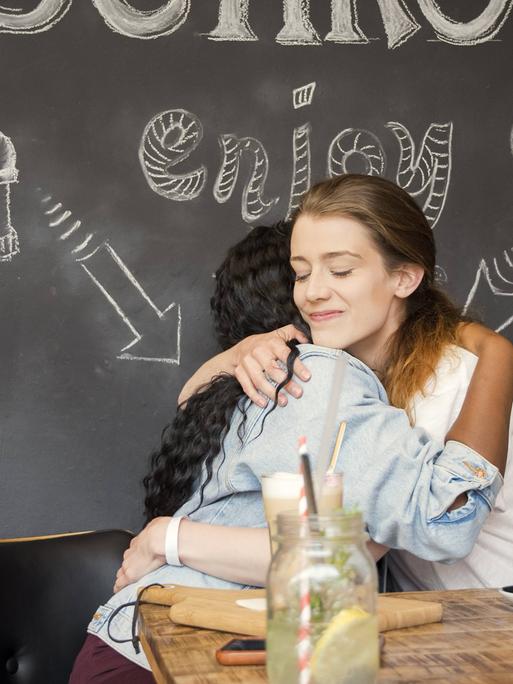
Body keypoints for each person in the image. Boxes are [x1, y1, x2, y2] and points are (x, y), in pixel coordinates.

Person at [71, 177, 512, 681]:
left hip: (480, 620)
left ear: (404, 278)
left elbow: (433, 521)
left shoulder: (409, 380)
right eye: (301, 274)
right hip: (188, 647)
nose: (314, 291)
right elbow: (359, 547)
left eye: (340, 269)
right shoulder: (310, 375)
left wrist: (167, 537)